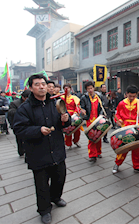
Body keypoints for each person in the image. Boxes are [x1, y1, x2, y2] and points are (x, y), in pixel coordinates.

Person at [13, 74, 70, 224]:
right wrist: (38, 130)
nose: (41, 86)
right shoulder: (25, 108)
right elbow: (18, 129)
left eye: (43, 83)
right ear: (31, 88)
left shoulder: (55, 103)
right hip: (38, 153)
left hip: (57, 149)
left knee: (60, 178)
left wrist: (66, 119)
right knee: (42, 186)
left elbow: (65, 120)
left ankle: (56, 198)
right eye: (37, 84)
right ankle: (44, 210)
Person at [112, 85, 139, 174]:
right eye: (130, 96)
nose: (131, 98)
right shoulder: (121, 103)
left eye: (133, 96)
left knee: (137, 150)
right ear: (126, 94)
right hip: (125, 128)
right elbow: (118, 114)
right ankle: (117, 164)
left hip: (136, 128)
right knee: (122, 149)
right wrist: (119, 120)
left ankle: (137, 166)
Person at [80, 81, 105, 162]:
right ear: (86, 90)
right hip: (90, 120)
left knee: (99, 136)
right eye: (88, 89)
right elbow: (82, 107)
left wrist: (101, 115)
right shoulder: (84, 98)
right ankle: (92, 155)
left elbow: (102, 107)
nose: (90, 90)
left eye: (91, 88)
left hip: (98, 120)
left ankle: (98, 152)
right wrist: (83, 111)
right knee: (91, 138)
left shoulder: (99, 96)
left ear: (94, 88)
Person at [8, 89, 31, 156]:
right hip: (18, 124)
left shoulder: (31, 102)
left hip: (28, 124)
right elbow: (10, 112)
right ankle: (21, 151)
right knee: (20, 139)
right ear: (23, 97)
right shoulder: (14, 103)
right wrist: (21, 112)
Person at [61, 83, 81, 149]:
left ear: (70, 89)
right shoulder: (61, 98)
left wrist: (75, 113)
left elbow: (77, 106)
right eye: (65, 88)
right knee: (67, 130)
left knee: (77, 130)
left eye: (68, 88)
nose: (67, 89)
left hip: (74, 115)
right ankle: (68, 143)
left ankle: (76, 141)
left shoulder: (74, 98)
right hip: (66, 115)